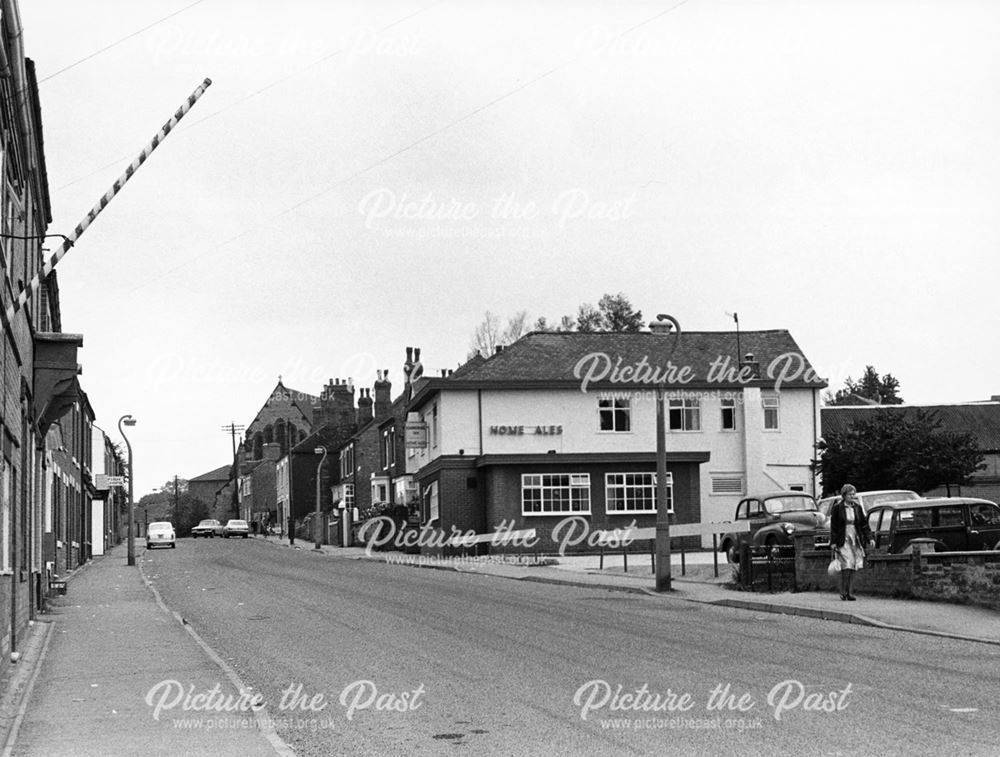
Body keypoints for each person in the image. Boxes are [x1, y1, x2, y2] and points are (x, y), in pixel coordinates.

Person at [829, 484, 874, 601]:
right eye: (850, 494)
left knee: (854, 565)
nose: (852, 496)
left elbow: (864, 524)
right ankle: (844, 591)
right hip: (843, 539)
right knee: (846, 564)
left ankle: (849, 592)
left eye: (854, 494)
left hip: (855, 538)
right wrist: (833, 542)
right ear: (844, 495)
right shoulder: (837, 508)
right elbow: (833, 526)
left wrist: (870, 538)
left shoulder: (857, 508)